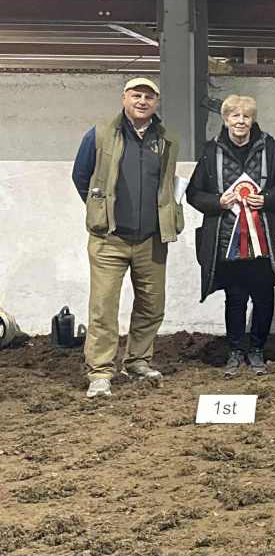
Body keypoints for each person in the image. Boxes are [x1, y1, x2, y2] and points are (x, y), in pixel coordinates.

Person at [71, 77, 184, 398]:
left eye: (149, 96)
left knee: (152, 305)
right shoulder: (99, 134)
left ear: (156, 102)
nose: (142, 101)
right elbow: (81, 176)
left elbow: (167, 183)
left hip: (152, 239)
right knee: (103, 307)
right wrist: (101, 208)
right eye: (137, 95)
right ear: (124, 98)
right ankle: (100, 373)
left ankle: (137, 362)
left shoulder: (167, 139)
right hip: (109, 239)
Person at [186, 95, 275, 378]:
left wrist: (267, 199)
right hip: (226, 240)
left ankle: (256, 349)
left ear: (253, 120)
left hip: (263, 239)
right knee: (235, 297)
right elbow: (194, 194)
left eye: (246, 116)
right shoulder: (210, 152)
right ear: (225, 119)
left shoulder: (271, 150)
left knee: (264, 297)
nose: (241, 121)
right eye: (235, 116)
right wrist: (218, 202)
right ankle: (235, 350)